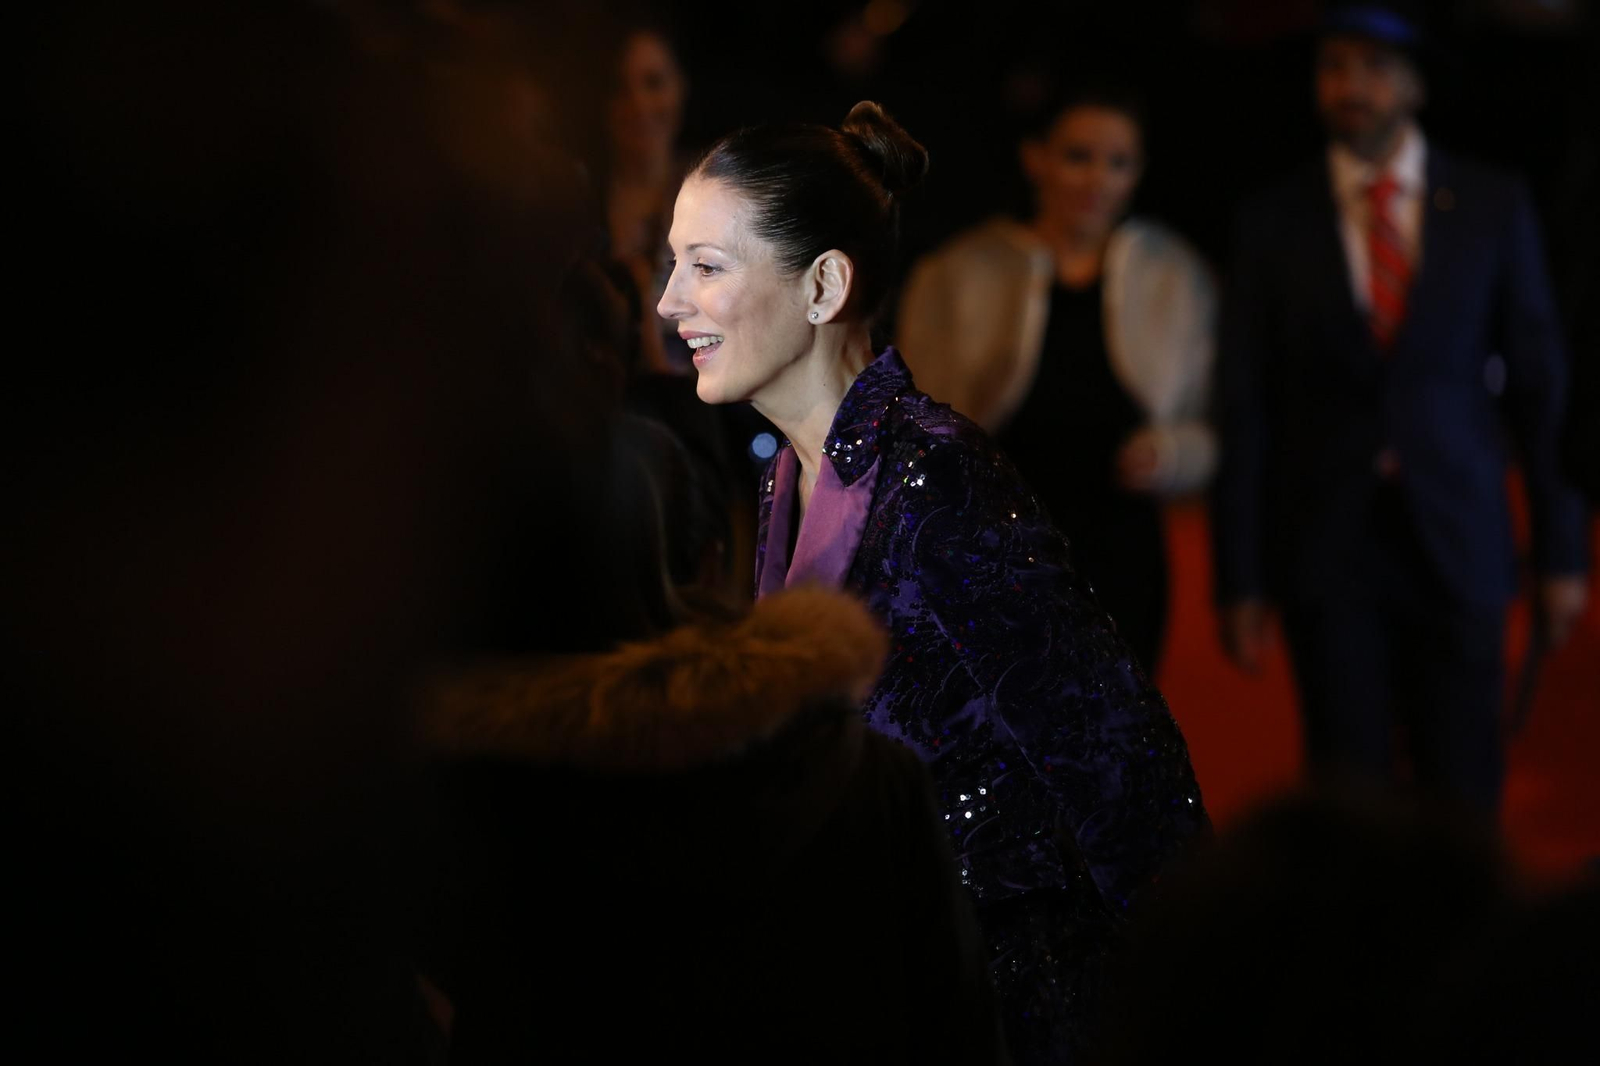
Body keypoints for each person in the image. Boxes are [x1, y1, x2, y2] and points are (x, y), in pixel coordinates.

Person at [657, 100, 1208, 1063]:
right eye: (674, 262)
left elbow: (1121, 763)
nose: (669, 301)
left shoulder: (937, 473)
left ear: (825, 284)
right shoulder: (787, 469)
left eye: (705, 267)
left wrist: (1192, 1007)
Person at [1211, 3, 1589, 816]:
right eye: (1335, 67)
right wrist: (1238, 578)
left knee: (1464, 784)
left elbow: (1538, 387)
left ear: (1416, 86)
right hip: (1327, 542)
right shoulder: (1272, 219)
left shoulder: (1491, 204)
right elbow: (1244, 406)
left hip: (1459, 536)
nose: (1353, 86)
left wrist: (1563, 552)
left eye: (1376, 67)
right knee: (1349, 797)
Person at [898, 85, 1217, 674]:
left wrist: (1169, 453)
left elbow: (1211, 423)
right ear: (1035, 158)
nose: (1097, 179)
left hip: (1121, 549)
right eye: (1078, 156)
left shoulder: (1174, 276)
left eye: (1118, 162)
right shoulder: (962, 271)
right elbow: (914, 419)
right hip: (995, 543)